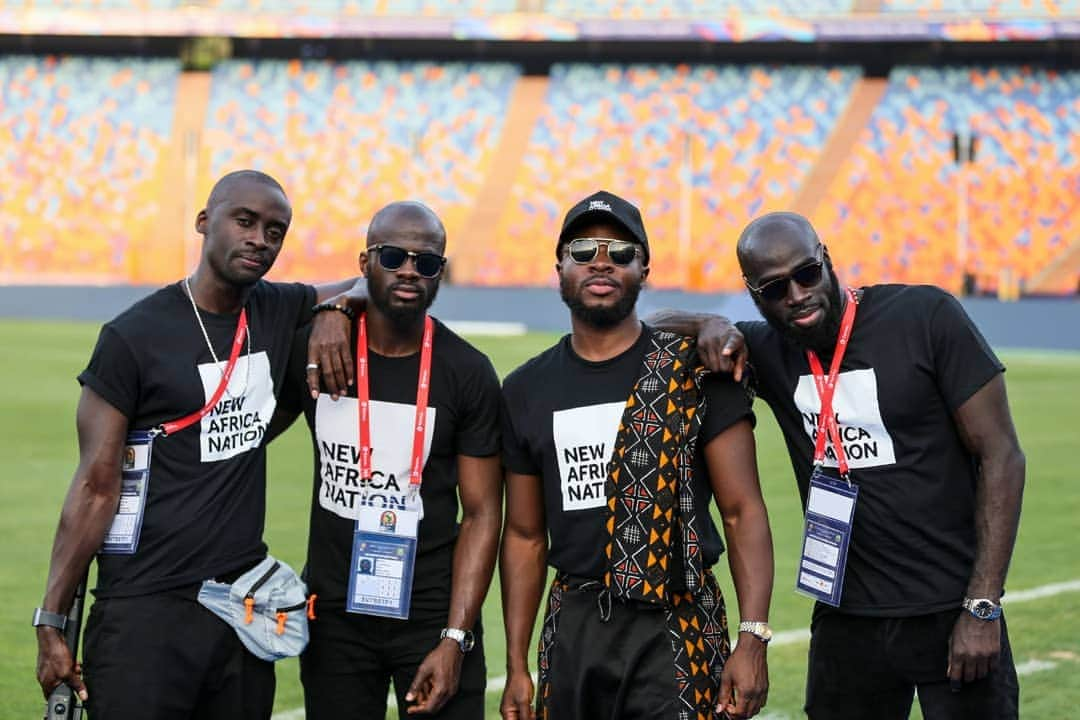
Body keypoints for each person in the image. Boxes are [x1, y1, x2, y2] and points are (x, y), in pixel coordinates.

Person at [667, 211, 1025, 719]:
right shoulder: (768, 347)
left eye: (806, 274)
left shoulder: (924, 316)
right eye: (773, 289)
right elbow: (647, 328)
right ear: (754, 294)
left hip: (951, 611)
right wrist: (711, 323)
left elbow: (1002, 455)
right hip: (845, 620)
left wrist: (982, 605)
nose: (796, 295)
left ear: (827, 260)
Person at [34, 170, 364, 719]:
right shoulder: (132, 337)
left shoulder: (277, 309)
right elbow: (95, 486)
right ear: (204, 222)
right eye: (245, 221)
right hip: (144, 612)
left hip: (241, 612)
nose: (260, 238)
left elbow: (375, 283)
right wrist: (52, 619)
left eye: (276, 231)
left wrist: (333, 311)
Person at [499, 191, 774, 720]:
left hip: (675, 621)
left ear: (644, 268)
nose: (601, 261)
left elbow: (743, 512)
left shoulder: (694, 371)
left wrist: (753, 637)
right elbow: (526, 535)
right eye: (583, 250)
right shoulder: (525, 389)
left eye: (621, 252)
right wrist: (516, 663)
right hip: (573, 626)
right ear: (559, 266)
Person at [275, 201, 503, 720]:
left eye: (426, 262)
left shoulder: (467, 371)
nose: (408, 270)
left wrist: (455, 637)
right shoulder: (316, 351)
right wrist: (331, 311)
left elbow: (484, 513)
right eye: (394, 255)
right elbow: (248, 441)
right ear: (364, 263)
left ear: (440, 273)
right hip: (334, 616)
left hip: (431, 615)